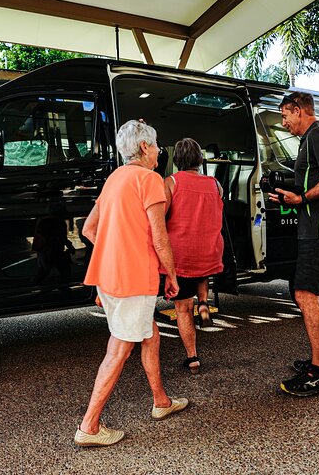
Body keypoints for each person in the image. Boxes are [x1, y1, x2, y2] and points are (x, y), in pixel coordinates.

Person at [74, 120, 188, 448]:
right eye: (154, 146)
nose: (158, 152)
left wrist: (115, 253)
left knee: (149, 335)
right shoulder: (149, 179)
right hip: (133, 278)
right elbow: (159, 235)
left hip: (108, 278)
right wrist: (172, 275)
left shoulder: (114, 179)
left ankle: (161, 401)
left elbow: (89, 229)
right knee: (120, 349)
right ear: (143, 148)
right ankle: (90, 425)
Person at [269, 91, 319, 396]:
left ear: (300, 110)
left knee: (304, 294)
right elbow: (317, 181)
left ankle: (318, 373)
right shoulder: (310, 140)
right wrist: (291, 194)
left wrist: (301, 198)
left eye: (285, 116)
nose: (284, 122)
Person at [162, 138, 224, 374]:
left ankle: (193, 357)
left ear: (177, 160)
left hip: (181, 255)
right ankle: (205, 303)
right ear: (199, 159)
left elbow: (161, 217)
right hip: (209, 250)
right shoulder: (215, 184)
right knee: (203, 270)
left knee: (183, 309)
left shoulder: (171, 183)